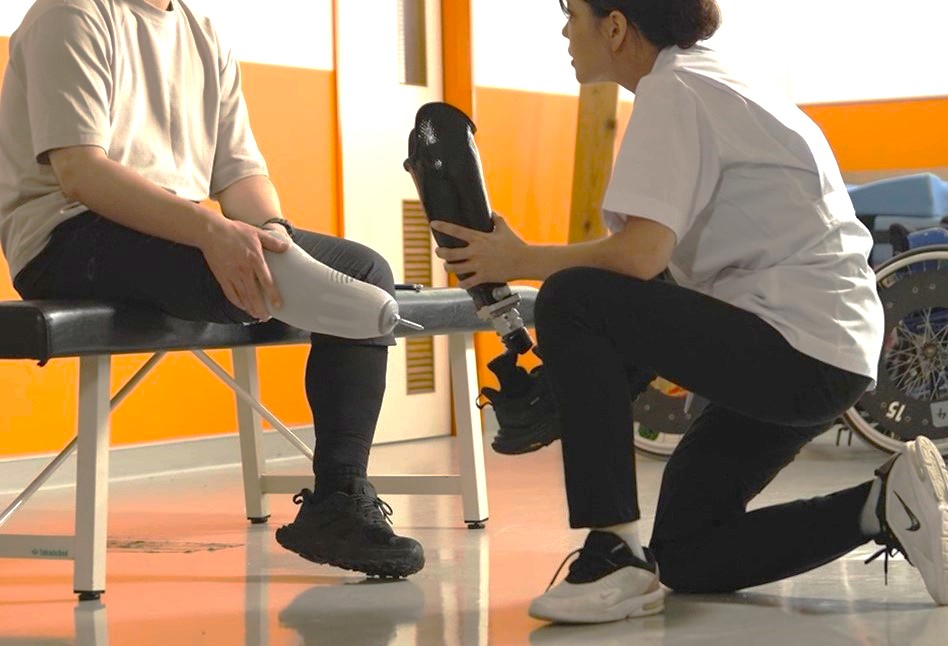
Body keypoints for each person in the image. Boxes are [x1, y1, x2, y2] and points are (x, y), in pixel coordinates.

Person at [430, 0, 948, 624]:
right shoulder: (709, 80)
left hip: (797, 345)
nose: (565, 31)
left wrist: (519, 259)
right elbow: (660, 275)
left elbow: (640, 256)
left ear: (614, 26)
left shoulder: (674, 90)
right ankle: (885, 504)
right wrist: (583, 379)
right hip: (819, 348)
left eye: (573, 15)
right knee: (687, 551)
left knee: (572, 296)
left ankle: (613, 554)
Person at [0, 0, 424, 578]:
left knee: (365, 272)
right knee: (236, 281)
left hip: (182, 228)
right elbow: (80, 172)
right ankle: (337, 494)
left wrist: (273, 234)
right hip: (67, 236)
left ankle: (338, 501)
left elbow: (241, 174)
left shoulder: (202, 35)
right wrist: (213, 234)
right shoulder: (72, 13)